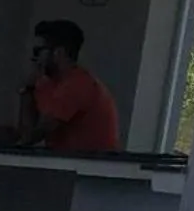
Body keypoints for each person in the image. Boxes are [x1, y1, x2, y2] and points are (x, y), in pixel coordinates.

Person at [18, 18, 120, 152]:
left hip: (94, 167)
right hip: (67, 164)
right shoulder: (47, 84)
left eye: (38, 51)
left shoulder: (79, 84)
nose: (34, 58)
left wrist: (27, 90)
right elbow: (26, 134)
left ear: (58, 52)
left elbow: (32, 137)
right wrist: (28, 90)